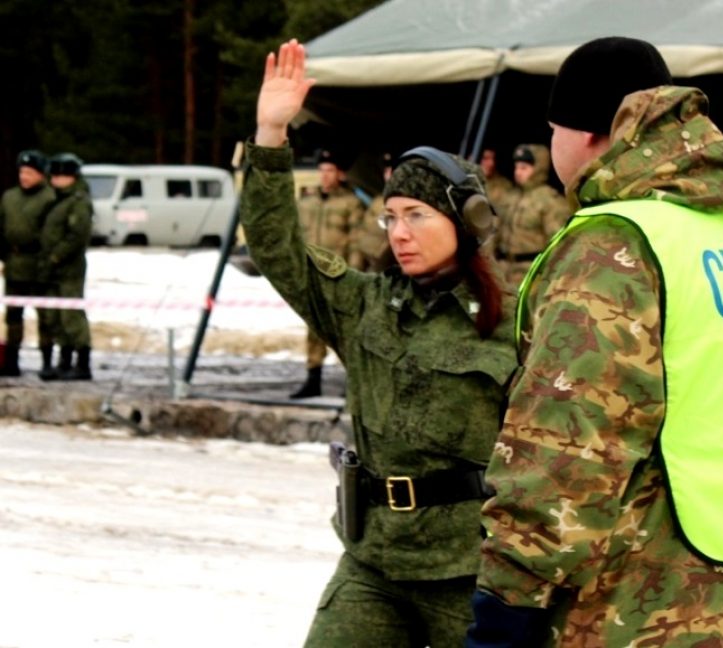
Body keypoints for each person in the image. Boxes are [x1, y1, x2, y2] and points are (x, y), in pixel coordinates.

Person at [467, 37, 723, 647]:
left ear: (585, 135)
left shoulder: (616, 243)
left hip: (646, 605)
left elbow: (565, 444)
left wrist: (507, 605)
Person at [241, 40, 517, 647]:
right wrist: (269, 133)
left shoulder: (516, 324)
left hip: (467, 573)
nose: (400, 233)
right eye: (390, 216)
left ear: (468, 222)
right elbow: (277, 249)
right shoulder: (363, 305)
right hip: (373, 564)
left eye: (416, 214)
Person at [290, 146, 366, 399]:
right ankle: (313, 378)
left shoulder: (351, 203)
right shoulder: (307, 202)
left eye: (330, 170)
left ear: (340, 173)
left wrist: (352, 277)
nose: (324, 175)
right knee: (314, 329)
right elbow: (297, 237)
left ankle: (352, 381)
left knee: (344, 330)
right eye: (321, 170)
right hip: (312, 275)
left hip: (338, 276)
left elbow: (356, 242)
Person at [37, 153, 94, 380]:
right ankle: (65, 360)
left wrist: (56, 257)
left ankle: (82, 363)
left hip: (69, 268)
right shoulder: (57, 199)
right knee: (56, 317)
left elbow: (77, 235)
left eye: (60, 176)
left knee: (72, 316)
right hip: (52, 268)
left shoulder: (78, 201)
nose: (55, 180)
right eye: (54, 176)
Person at [0, 149, 57, 377]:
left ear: (41, 175)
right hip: (14, 264)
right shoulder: (9, 197)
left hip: (39, 265)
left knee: (45, 316)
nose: (24, 177)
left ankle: (47, 360)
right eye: (22, 172)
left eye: (30, 173)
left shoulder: (49, 198)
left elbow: (51, 233)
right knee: (13, 315)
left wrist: (46, 261)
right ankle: (11, 360)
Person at [494, 143, 570, 287]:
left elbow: (559, 245)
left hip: (530, 274)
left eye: (524, 168)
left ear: (538, 169)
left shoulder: (550, 202)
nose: (518, 172)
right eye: (517, 167)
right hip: (503, 271)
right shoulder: (510, 196)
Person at [356, 152, 395, 272]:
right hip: (370, 263)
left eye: (392, 170)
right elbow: (363, 231)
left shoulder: (405, 204)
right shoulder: (377, 202)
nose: (388, 175)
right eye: (386, 171)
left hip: (389, 266)